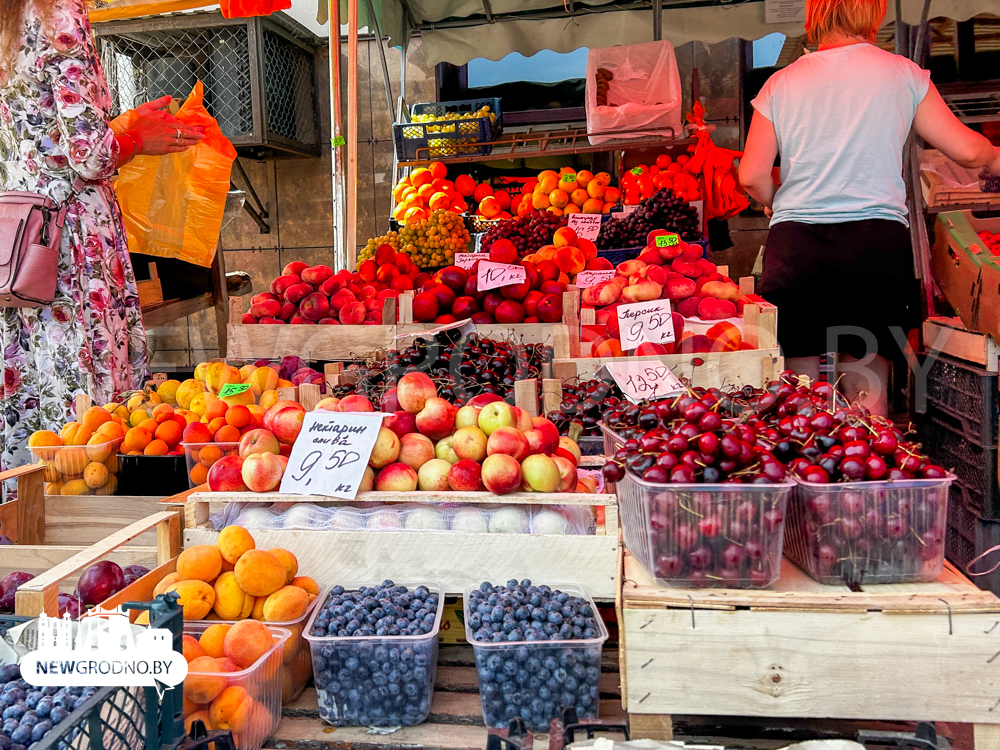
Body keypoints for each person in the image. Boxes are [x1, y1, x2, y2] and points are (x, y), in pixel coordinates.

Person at [738, 0, 1000, 414]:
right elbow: (968, 151)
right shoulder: (902, 73)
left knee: (798, 383)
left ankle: (806, 467)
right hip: (874, 243)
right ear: (874, 14)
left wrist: (778, 205)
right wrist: (994, 157)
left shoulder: (781, 83)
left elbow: (751, 175)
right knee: (866, 384)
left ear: (815, 17)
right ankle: (864, 469)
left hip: (797, 246)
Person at [0, 0, 203, 486]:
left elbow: (38, 136)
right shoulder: (58, 14)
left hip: (16, 235)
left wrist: (126, 125)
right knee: (89, 389)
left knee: (32, 373)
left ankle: (27, 513)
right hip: (68, 237)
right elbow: (88, 155)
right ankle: (90, 512)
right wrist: (136, 139)